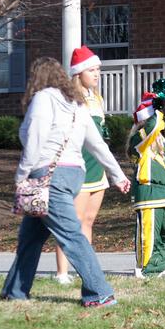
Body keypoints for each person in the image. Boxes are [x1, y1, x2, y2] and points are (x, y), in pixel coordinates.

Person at [1, 57, 129, 307]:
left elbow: (36, 139)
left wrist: (21, 175)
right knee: (30, 237)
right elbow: (97, 144)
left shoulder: (43, 98)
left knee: (72, 236)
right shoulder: (77, 104)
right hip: (73, 175)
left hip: (48, 176)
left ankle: (100, 293)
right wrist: (117, 175)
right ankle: (15, 291)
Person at [54, 46, 108, 285]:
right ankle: (62, 272)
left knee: (88, 221)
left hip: (97, 166)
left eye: (98, 69)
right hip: (78, 165)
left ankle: (83, 268)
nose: (97, 74)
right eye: (92, 70)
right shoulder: (68, 97)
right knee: (70, 223)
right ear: (78, 72)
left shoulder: (97, 98)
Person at [128, 93, 165, 279]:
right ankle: (145, 268)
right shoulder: (138, 139)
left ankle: (156, 266)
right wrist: (161, 105)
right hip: (149, 190)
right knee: (150, 236)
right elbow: (153, 124)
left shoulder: (162, 139)